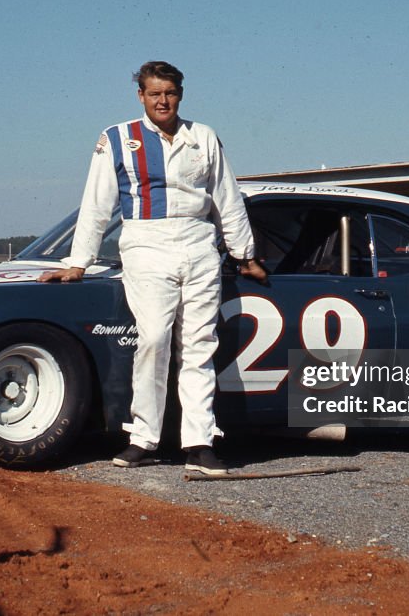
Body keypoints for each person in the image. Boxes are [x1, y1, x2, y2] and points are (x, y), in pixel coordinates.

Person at [38, 61, 267, 476]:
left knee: (199, 344)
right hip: (146, 245)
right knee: (154, 340)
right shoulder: (117, 138)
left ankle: (200, 442)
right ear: (141, 96)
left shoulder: (204, 136)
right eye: (155, 93)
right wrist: (78, 262)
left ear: (181, 94)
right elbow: (97, 203)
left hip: (199, 244)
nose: (163, 101)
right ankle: (143, 438)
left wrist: (244, 254)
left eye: (170, 93)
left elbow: (226, 199)